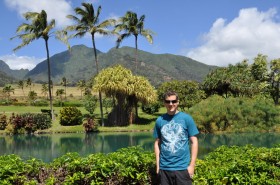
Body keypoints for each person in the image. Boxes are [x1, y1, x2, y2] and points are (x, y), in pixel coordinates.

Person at [153, 91, 199, 185]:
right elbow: (157, 143)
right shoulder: (159, 120)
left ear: (178, 102)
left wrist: (192, 165)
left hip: (182, 169)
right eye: (168, 101)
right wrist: (158, 165)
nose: (171, 104)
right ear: (164, 103)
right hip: (164, 169)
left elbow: (194, 141)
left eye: (173, 101)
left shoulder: (187, 118)